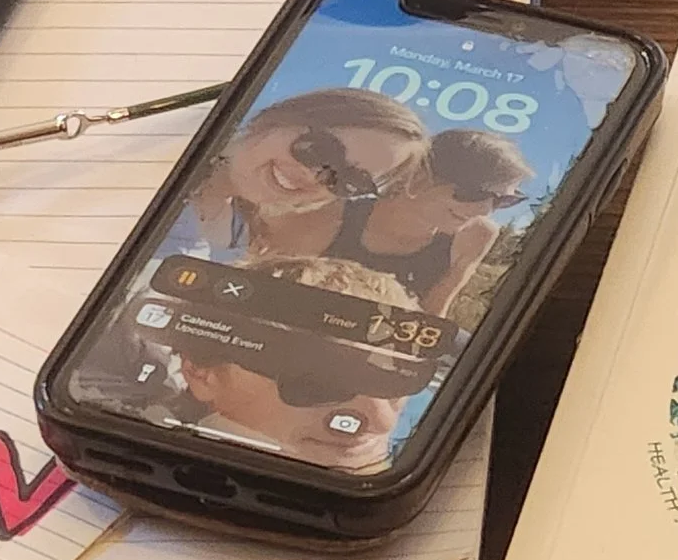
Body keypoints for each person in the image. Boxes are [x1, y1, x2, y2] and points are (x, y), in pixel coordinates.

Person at [161, 254, 427, 472]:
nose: (383, 422)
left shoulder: (426, 434)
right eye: (326, 382)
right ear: (200, 374)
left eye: (396, 381)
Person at [178, 88, 428, 261]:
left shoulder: (239, 236)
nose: (313, 176)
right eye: (320, 148)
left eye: (349, 180)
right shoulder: (176, 159)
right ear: (283, 117)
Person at [342, 128, 535, 319]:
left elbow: (431, 319)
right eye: (474, 193)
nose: (485, 210)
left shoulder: (475, 234)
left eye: (503, 201)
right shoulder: (338, 213)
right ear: (420, 174)